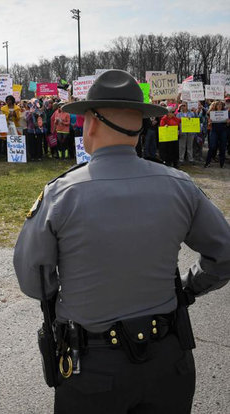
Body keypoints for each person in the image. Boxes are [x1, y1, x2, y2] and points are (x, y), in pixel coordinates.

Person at [13, 69, 230, 414]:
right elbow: (224, 255)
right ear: (140, 125)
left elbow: (33, 281)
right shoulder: (179, 185)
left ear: (93, 123)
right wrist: (187, 288)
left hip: (93, 367)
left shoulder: (61, 194)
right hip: (169, 360)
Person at [204, 100, 228, 168]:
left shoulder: (225, 113)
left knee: (222, 147)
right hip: (214, 130)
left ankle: (222, 163)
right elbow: (207, 116)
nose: (219, 106)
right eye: (218, 104)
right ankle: (207, 162)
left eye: (221, 104)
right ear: (216, 106)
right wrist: (209, 122)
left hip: (223, 130)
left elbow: (228, 124)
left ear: (222, 106)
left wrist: (228, 122)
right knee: (212, 146)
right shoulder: (212, 113)